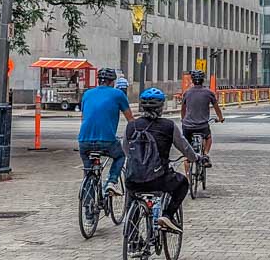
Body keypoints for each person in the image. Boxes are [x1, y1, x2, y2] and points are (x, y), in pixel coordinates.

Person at [122, 88, 199, 234]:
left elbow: (126, 150)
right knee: (182, 183)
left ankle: (132, 237)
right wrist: (195, 158)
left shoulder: (131, 126)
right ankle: (168, 215)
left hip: (134, 178)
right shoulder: (168, 126)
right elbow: (184, 147)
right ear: (161, 107)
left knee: (132, 197)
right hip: (159, 178)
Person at [78, 67, 133, 195]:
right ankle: (111, 182)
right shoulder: (118, 94)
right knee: (120, 156)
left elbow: (83, 118)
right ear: (112, 82)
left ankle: (89, 210)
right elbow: (131, 120)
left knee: (88, 171)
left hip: (84, 141)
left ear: (98, 81)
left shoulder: (87, 94)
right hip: (106, 140)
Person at [181, 68, 224, 169]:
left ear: (192, 80)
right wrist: (220, 118)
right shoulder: (209, 93)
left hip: (188, 126)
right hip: (202, 126)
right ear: (203, 80)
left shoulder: (187, 93)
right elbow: (216, 108)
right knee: (208, 138)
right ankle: (205, 155)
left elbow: (183, 110)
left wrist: (183, 120)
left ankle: (188, 179)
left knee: (187, 153)